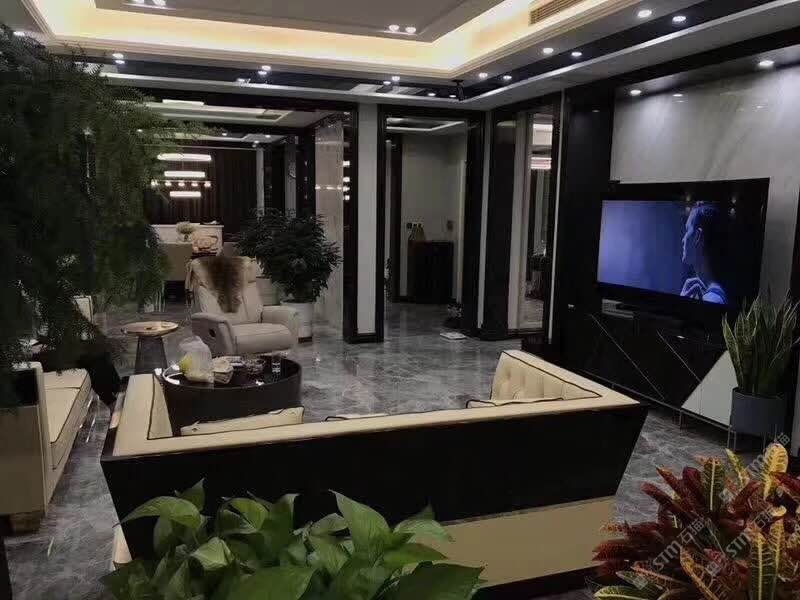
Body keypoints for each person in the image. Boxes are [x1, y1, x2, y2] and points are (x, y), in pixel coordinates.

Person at [680, 202, 728, 305]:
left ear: (698, 236)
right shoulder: (703, 292)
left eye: (687, 229)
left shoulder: (712, 300)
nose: (683, 240)